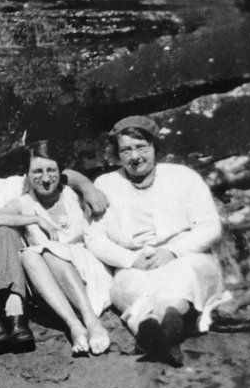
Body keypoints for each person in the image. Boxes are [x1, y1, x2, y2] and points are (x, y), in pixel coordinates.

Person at [0, 135, 109, 354]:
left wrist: (87, 187)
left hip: (11, 271)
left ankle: (15, 316)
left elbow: (56, 174)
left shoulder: (9, 186)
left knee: (4, 231)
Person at [86, 116, 224, 366]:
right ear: (117, 154)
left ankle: (152, 327)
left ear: (154, 148)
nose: (135, 156)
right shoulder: (105, 184)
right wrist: (131, 259)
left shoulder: (183, 176)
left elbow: (210, 226)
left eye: (141, 147)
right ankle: (167, 330)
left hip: (183, 257)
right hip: (135, 266)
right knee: (125, 287)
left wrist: (172, 251)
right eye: (126, 149)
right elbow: (94, 238)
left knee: (189, 272)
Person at [0, 141, 113, 356]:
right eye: (37, 172)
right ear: (27, 174)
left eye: (51, 170)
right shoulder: (24, 203)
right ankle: (75, 326)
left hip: (87, 271)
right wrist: (34, 220)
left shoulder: (72, 194)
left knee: (45, 250)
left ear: (61, 171)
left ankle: (91, 321)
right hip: (52, 284)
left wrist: (87, 187)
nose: (44, 178)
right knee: (30, 255)